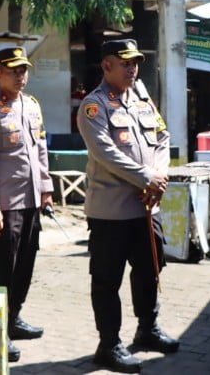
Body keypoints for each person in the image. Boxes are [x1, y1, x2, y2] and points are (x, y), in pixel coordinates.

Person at [77, 38, 178, 374]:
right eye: (125, 62)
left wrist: (159, 175)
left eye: (136, 62)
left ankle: (147, 329)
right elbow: (105, 153)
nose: (133, 68)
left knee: (151, 269)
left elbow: (162, 138)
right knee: (107, 280)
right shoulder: (93, 106)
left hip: (148, 207)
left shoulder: (142, 100)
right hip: (112, 211)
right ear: (107, 66)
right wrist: (147, 178)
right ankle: (108, 344)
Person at [0, 46, 54, 363]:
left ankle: (15, 317)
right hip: (5, 204)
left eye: (24, 70)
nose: (20, 75)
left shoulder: (32, 105)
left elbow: (41, 148)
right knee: (1, 268)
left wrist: (46, 188)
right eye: (13, 70)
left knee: (25, 264)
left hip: (32, 200)